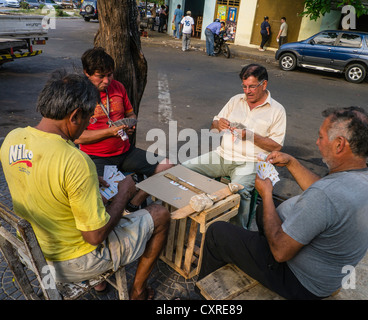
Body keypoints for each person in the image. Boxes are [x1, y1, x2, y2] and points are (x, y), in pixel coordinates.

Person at [0, 71, 171, 300]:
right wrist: (124, 194)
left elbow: (43, 185)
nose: (87, 126)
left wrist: (87, 185)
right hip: (71, 261)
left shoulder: (12, 139)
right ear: (75, 115)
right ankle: (138, 292)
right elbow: (94, 236)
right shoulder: (74, 160)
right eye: (89, 119)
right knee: (160, 215)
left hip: (32, 252)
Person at [197, 106, 368, 300]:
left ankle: (199, 298)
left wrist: (267, 195)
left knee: (217, 232)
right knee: (263, 212)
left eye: (321, 137)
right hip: (328, 272)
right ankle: (254, 252)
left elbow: (280, 252)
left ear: (339, 144)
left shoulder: (325, 196)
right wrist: (291, 163)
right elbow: (323, 188)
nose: (317, 143)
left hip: (300, 281)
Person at [182, 64, 286, 228]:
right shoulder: (235, 100)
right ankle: (188, 214)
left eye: (252, 86)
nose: (247, 91)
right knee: (183, 170)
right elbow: (214, 127)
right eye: (244, 86)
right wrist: (218, 124)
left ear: (264, 84)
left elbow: (277, 146)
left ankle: (236, 233)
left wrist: (249, 135)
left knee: (238, 193)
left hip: (249, 162)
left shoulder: (277, 110)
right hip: (221, 155)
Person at [76, 47, 173, 211]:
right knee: (101, 199)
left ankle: (135, 202)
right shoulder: (79, 95)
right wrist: (109, 132)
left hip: (125, 152)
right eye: (101, 76)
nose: (107, 81)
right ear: (87, 72)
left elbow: (130, 113)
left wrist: (131, 124)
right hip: (96, 157)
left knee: (167, 167)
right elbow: (78, 137)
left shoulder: (118, 87)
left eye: (110, 75)